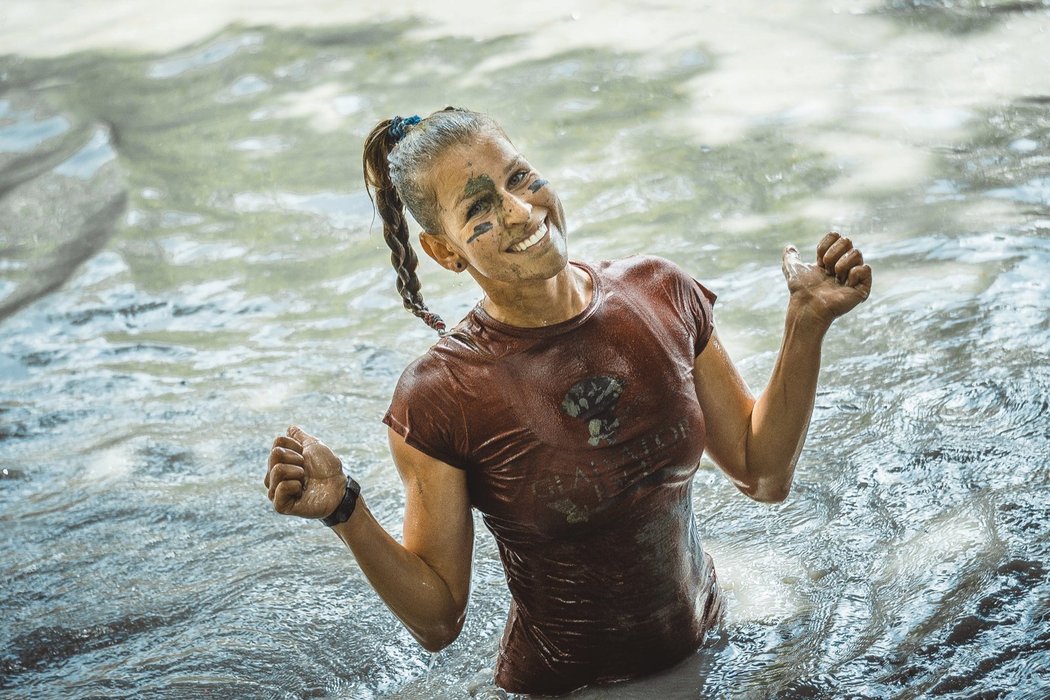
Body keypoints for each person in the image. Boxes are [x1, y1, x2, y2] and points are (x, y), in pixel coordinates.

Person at [264, 106, 872, 695]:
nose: (521, 210)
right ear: (445, 251)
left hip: (710, 641)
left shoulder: (660, 293)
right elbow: (439, 619)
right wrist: (344, 509)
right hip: (572, 689)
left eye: (520, 177)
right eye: (479, 206)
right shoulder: (441, 395)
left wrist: (806, 322)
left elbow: (761, 472)